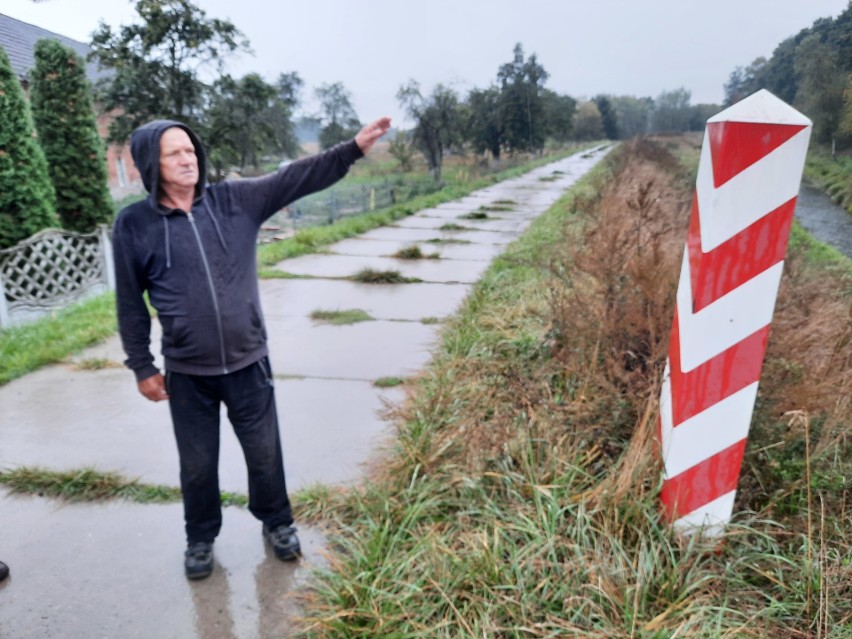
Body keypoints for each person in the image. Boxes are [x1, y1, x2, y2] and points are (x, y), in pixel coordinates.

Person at [113, 116, 390, 580]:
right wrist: (142, 365)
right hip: (187, 372)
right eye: (173, 153)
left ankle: (278, 523)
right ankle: (200, 538)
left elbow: (295, 177)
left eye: (189, 150)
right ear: (150, 165)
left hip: (248, 363)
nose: (187, 159)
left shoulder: (234, 201)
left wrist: (352, 149)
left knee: (264, 454)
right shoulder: (134, 225)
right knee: (197, 466)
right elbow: (128, 302)